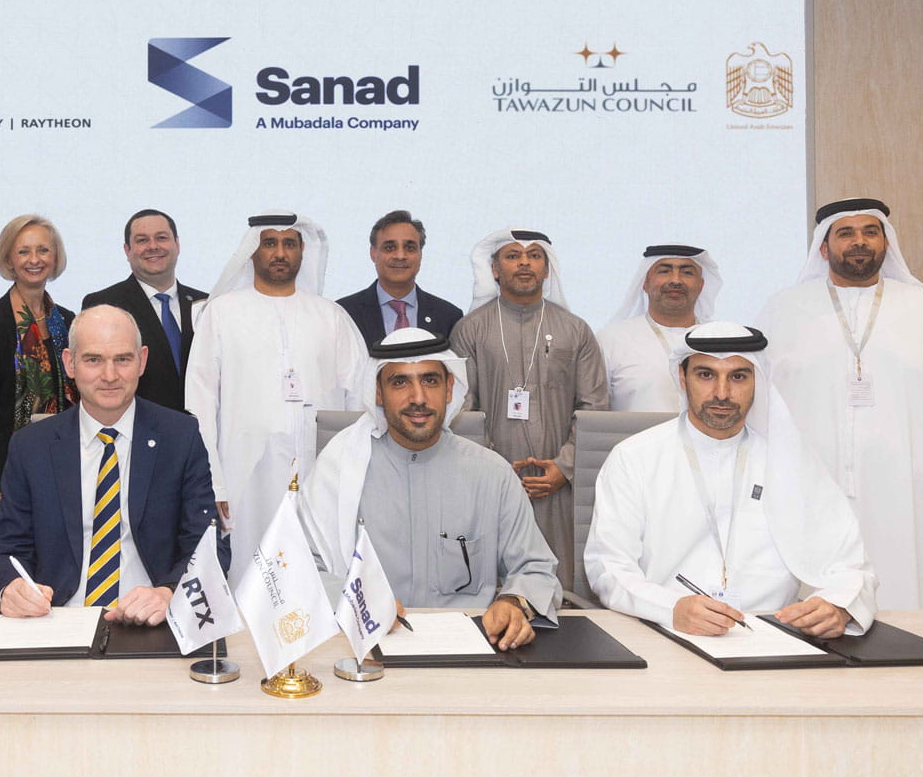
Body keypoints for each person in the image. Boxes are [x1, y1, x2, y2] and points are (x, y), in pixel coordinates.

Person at [755, 198, 923, 609]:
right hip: (812, 482)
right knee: (812, 595)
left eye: (871, 232)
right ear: (823, 247)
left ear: (886, 244)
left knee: (912, 590)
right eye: (846, 233)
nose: (859, 242)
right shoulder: (782, 311)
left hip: (912, 486)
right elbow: (758, 399)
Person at [585, 322, 877, 637]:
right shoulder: (635, 458)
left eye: (738, 376)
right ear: (682, 379)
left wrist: (837, 604)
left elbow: (849, 563)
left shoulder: (790, 461)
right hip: (667, 631)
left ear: (758, 381)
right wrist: (671, 608)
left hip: (773, 636)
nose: (722, 393)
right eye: (706, 375)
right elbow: (609, 568)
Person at [304, 329, 559, 649]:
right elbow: (302, 565)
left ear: (450, 387)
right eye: (400, 382)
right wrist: (356, 600)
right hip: (365, 648)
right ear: (378, 393)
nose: (418, 398)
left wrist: (513, 602)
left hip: (470, 656)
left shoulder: (492, 474)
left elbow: (535, 566)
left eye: (430, 380)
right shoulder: (340, 472)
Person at [0, 305, 216, 620]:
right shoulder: (31, 447)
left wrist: (169, 592)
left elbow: (206, 543)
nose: (109, 376)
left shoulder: (180, 438)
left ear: (142, 361)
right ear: (70, 363)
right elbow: (4, 552)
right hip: (56, 617)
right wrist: (11, 588)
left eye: (123, 359)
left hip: (151, 618)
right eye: (93, 360)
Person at [184, 212, 369, 575]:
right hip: (244, 476)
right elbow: (200, 403)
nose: (280, 253)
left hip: (321, 474)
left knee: (315, 573)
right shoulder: (221, 314)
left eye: (290, 244)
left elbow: (358, 402)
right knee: (250, 576)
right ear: (253, 251)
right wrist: (214, 480)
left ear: (303, 252)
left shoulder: (331, 317)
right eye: (269, 243)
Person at [448, 227, 606, 586]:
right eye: (513, 255)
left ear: (547, 269)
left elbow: (594, 406)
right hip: (489, 482)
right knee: (491, 584)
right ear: (494, 269)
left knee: (559, 585)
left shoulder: (575, 330)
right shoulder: (469, 330)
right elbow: (462, 410)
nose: (524, 263)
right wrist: (496, 471)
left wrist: (563, 468)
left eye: (534, 255)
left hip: (558, 486)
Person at [0, 215, 76, 529]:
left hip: (63, 467)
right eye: (23, 251)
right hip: (8, 474)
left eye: (43, 250)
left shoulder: (68, 322)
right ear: (9, 259)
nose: (34, 260)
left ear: (55, 258)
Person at [81, 209, 207, 411]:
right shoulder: (104, 304)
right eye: (142, 240)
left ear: (177, 244)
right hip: (138, 428)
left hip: (201, 430)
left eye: (161, 238)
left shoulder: (206, 304)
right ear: (127, 251)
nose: (153, 246)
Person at [596, 244, 722, 412]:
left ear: (701, 285)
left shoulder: (721, 340)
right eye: (664, 271)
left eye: (687, 272)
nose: (675, 280)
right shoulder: (612, 339)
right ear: (645, 283)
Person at [336, 210, 463, 345]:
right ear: (373, 253)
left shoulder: (448, 316)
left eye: (410, 248)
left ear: (421, 254)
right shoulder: (343, 313)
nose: (400, 256)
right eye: (390, 248)